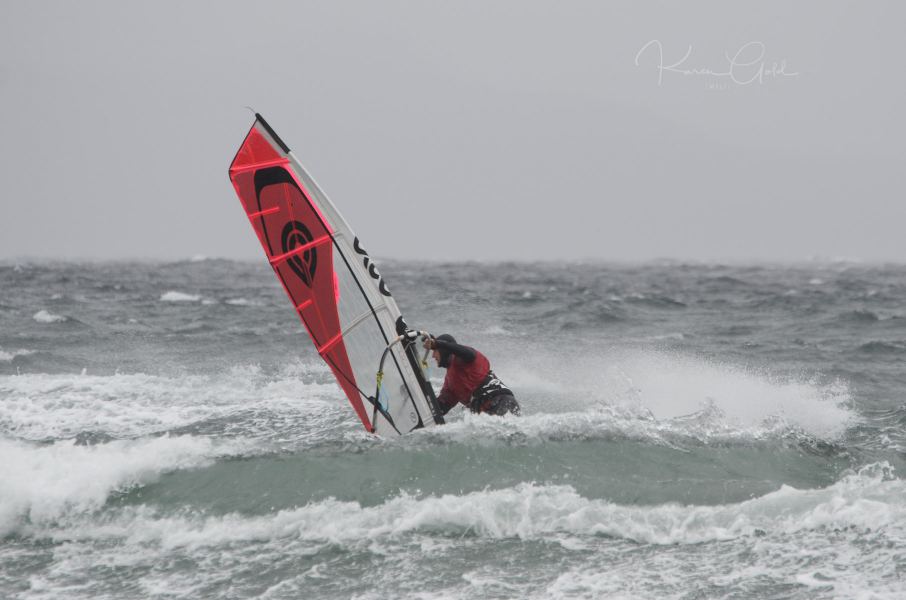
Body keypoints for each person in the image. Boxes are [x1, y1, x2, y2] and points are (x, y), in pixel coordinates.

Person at [422, 334, 520, 416]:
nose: (433, 356)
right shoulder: (450, 382)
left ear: (444, 350)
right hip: (487, 412)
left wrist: (439, 343)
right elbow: (441, 408)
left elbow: (466, 352)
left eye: (435, 351)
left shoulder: (464, 359)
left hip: (502, 402)